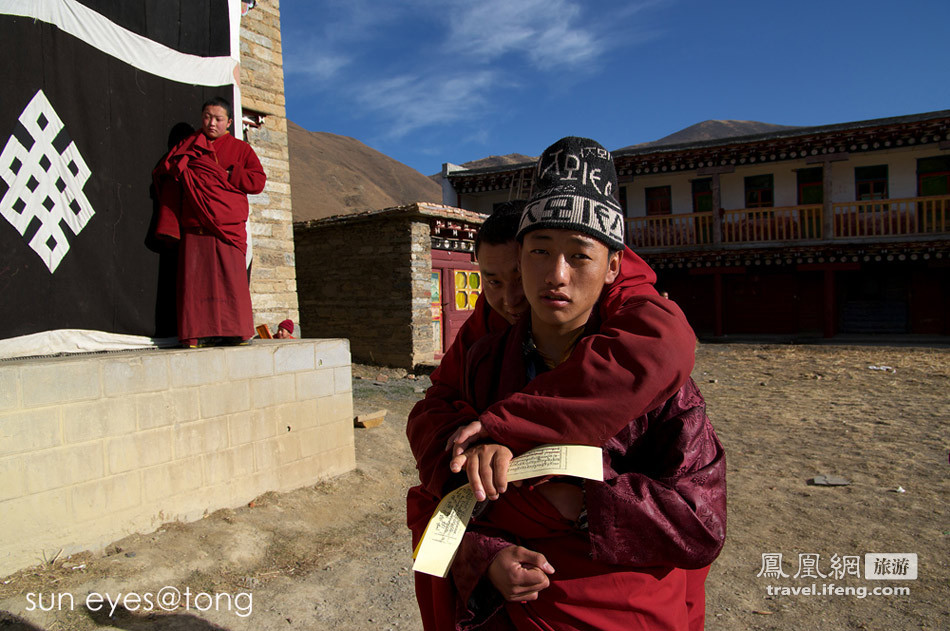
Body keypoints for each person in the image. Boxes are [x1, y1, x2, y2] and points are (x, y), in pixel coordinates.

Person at [408, 137, 726, 630]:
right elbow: (438, 499)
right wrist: (487, 557)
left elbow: (700, 522)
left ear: (613, 268)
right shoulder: (485, 357)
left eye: (579, 256)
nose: (554, 276)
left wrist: (581, 504)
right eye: (539, 252)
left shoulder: (657, 382)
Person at [153, 96, 266, 347]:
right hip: (196, 222)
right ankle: (196, 335)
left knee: (231, 281)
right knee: (196, 283)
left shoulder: (241, 149)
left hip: (227, 225)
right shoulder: (188, 146)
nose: (211, 123)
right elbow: (168, 173)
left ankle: (234, 332)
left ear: (228, 122)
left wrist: (231, 174)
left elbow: (258, 182)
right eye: (207, 117)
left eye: (217, 119)